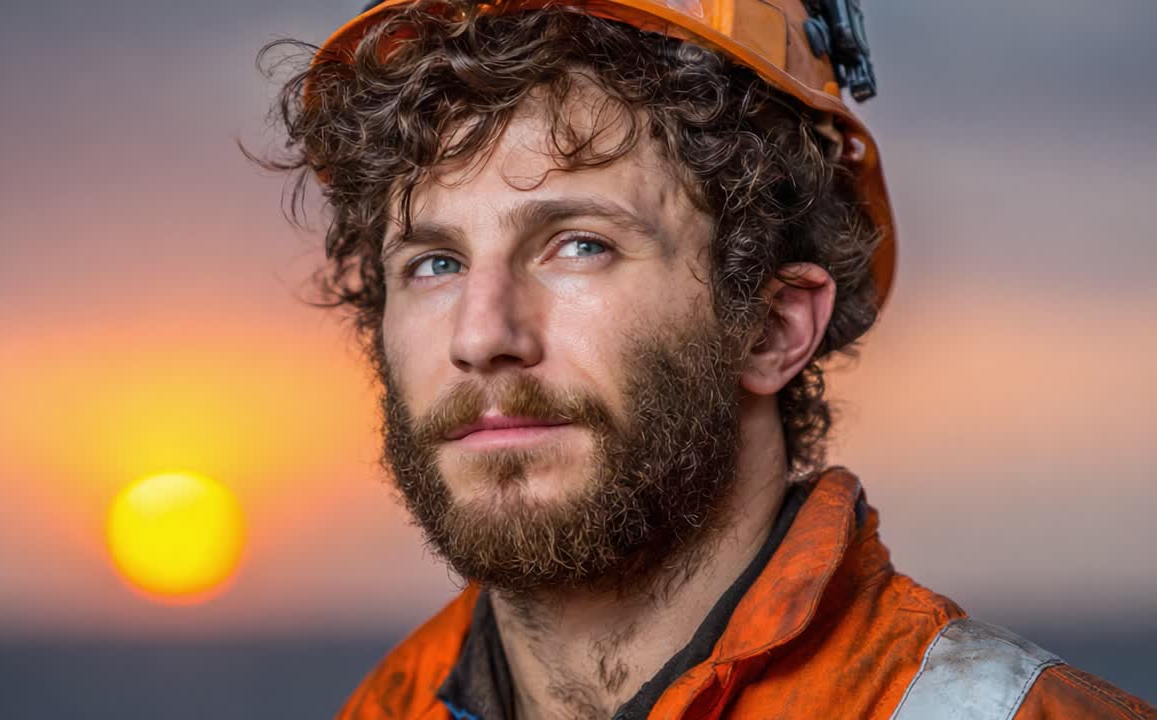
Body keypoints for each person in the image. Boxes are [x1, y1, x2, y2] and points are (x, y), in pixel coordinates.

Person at [256, 0, 1156, 717]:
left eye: (579, 245)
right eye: (436, 263)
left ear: (770, 328)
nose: (480, 333)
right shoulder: (384, 708)